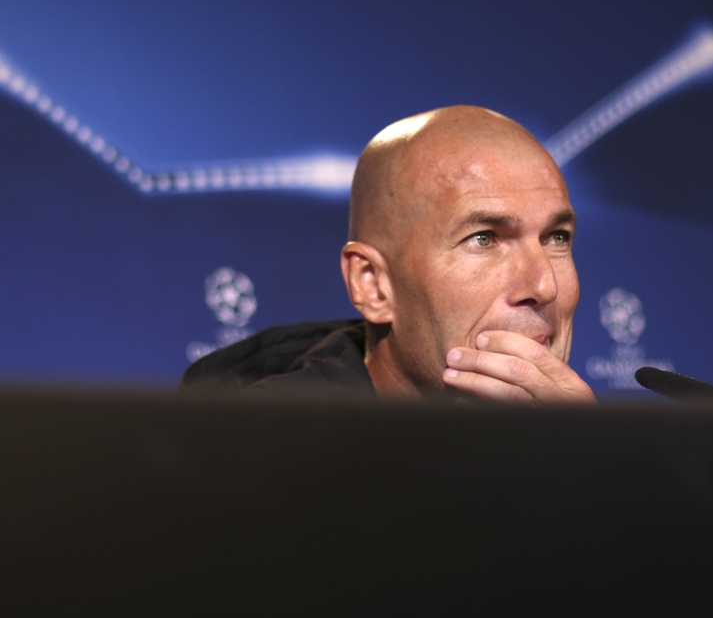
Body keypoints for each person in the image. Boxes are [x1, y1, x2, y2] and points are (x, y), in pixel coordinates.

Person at [182, 106, 596, 405]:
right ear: (373, 286)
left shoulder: (600, 457)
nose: (544, 285)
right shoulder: (253, 470)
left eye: (556, 238)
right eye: (484, 238)